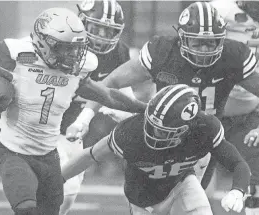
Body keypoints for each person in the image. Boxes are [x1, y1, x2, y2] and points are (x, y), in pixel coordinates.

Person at [0, 8, 146, 215]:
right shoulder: (20, 55)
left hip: (52, 147)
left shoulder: (80, 67)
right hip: (16, 148)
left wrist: (146, 109)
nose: (73, 55)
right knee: (27, 208)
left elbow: (109, 95)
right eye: (66, 49)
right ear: (44, 43)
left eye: (76, 49)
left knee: (60, 204)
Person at [66, 1, 259, 189]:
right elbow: (111, 82)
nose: (204, 50)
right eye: (197, 42)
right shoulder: (163, 51)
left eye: (211, 43)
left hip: (202, 139)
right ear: (182, 37)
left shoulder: (234, 54)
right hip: (157, 137)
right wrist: (84, 118)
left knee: (192, 200)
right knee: (144, 200)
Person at [62, 84, 251, 215]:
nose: (153, 133)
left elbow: (238, 163)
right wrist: (58, 178)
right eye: (153, 125)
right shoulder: (132, 132)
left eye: (163, 131)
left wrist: (238, 190)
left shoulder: (204, 129)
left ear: (186, 130)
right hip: (142, 197)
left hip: (181, 183)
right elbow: (91, 155)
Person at [59, 1, 156, 214]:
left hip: (71, 128)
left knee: (68, 192)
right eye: (98, 28)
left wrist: (144, 114)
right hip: (45, 120)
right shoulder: (61, 43)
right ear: (82, 21)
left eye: (109, 31)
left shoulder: (118, 51)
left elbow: (119, 93)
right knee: (54, 188)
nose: (103, 36)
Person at [208, 1, 259, 215]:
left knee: (254, 179)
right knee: (192, 179)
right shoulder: (219, 9)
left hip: (249, 108)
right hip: (209, 109)